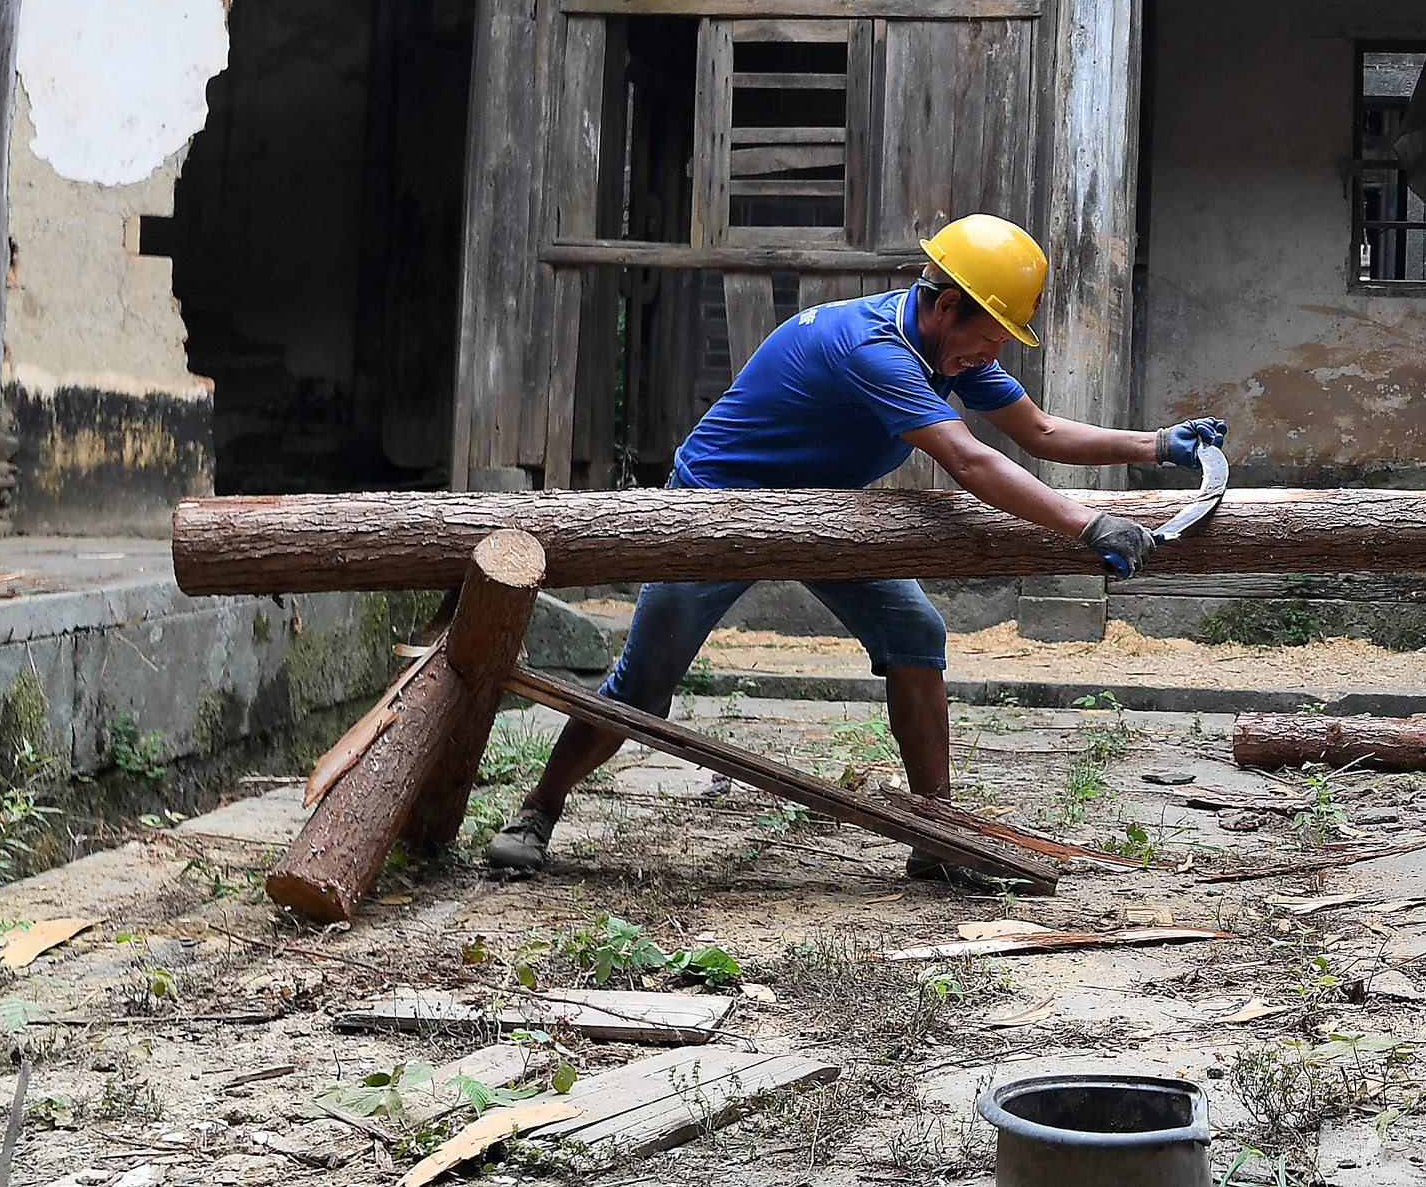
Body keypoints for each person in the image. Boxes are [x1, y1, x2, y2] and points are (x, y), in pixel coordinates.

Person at [483, 212, 1223, 882]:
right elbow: (971, 461)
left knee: (915, 631)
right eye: (989, 334)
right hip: (720, 508)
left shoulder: (953, 349)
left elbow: (1041, 432)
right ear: (944, 305)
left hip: (828, 511)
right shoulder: (874, 348)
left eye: (1002, 339)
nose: (993, 352)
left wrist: (1159, 443)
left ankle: (935, 830)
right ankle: (537, 811)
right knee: (644, 684)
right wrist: (1087, 524)